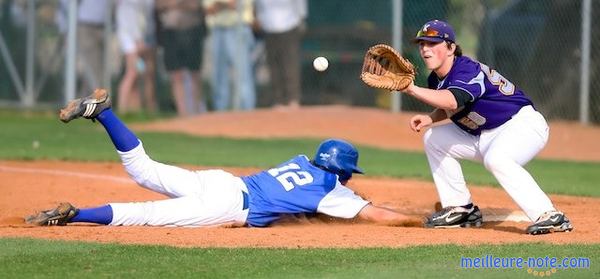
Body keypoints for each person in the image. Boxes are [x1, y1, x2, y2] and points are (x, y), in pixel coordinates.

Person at [25, 89, 416, 228]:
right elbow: (375, 214)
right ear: (343, 172)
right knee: (144, 214)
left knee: (143, 170)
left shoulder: (300, 161)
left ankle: (104, 112)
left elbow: (310, 200)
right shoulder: (333, 191)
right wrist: (421, 222)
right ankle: (75, 215)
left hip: (222, 181)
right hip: (227, 204)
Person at [401, 20, 573, 235]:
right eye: (422, 44)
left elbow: (454, 100)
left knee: (497, 159)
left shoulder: (466, 69)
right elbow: (454, 105)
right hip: (484, 134)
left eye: (433, 43)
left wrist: (411, 90)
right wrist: (430, 118)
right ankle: (461, 210)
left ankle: (550, 215)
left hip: (521, 125)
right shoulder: (435, 79)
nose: (425, 49)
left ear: (451, 48)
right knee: (434, 138)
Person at [156, 0, 207, 116]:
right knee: (175, 74)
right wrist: (180, 4)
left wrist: (173, 4)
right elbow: (159, 5)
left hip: (192, 30)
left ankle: (197, 111)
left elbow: (196, 5)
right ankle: (182, 112)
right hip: (171, 32)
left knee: (195, 73)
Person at [203, 0, 256, 111]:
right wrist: (225, 5)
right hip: (217, 30)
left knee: (242, 74)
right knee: (219, 75)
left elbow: (238, 5)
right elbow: (209, 9)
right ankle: (220, 113)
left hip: (238, 28)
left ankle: (247, 111)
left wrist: (221, 5)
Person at [254, 0, 306, 110]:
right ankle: (278, 100)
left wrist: (301, 18)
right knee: (273, 64)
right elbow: (258, 5)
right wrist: (259, 18)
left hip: (290, 24)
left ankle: (293, 99)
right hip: (268, 26)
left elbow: (300, 3)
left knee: (290, 63)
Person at [116, 0, 158, 114]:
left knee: (143, 73)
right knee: (132, 73)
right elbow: (130, 18)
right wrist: (138, 39)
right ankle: (122, 109)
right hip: (132, 40)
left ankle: (139, 109)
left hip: (144, 38)